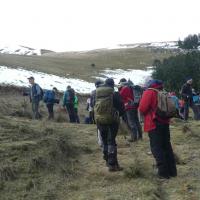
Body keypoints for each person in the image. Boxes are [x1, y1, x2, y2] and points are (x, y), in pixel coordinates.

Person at [139, 79, 177, 179]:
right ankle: (172, 171)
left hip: (153, 123)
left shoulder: (149, 92)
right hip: (165, 122)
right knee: (167, 147)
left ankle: (163, 173)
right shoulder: (162, 91)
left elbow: (142, 108)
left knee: (156, 148)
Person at [94, 78, 124, 172]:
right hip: (112, 121)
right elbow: (121, 107)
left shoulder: (96, 93)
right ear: (112, 85)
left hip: (100, 121)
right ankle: (113, 164)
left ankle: (107, 160)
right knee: (111, 141)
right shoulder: (114, 94)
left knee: (104, 141)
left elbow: (92, 105)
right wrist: (119, 115)